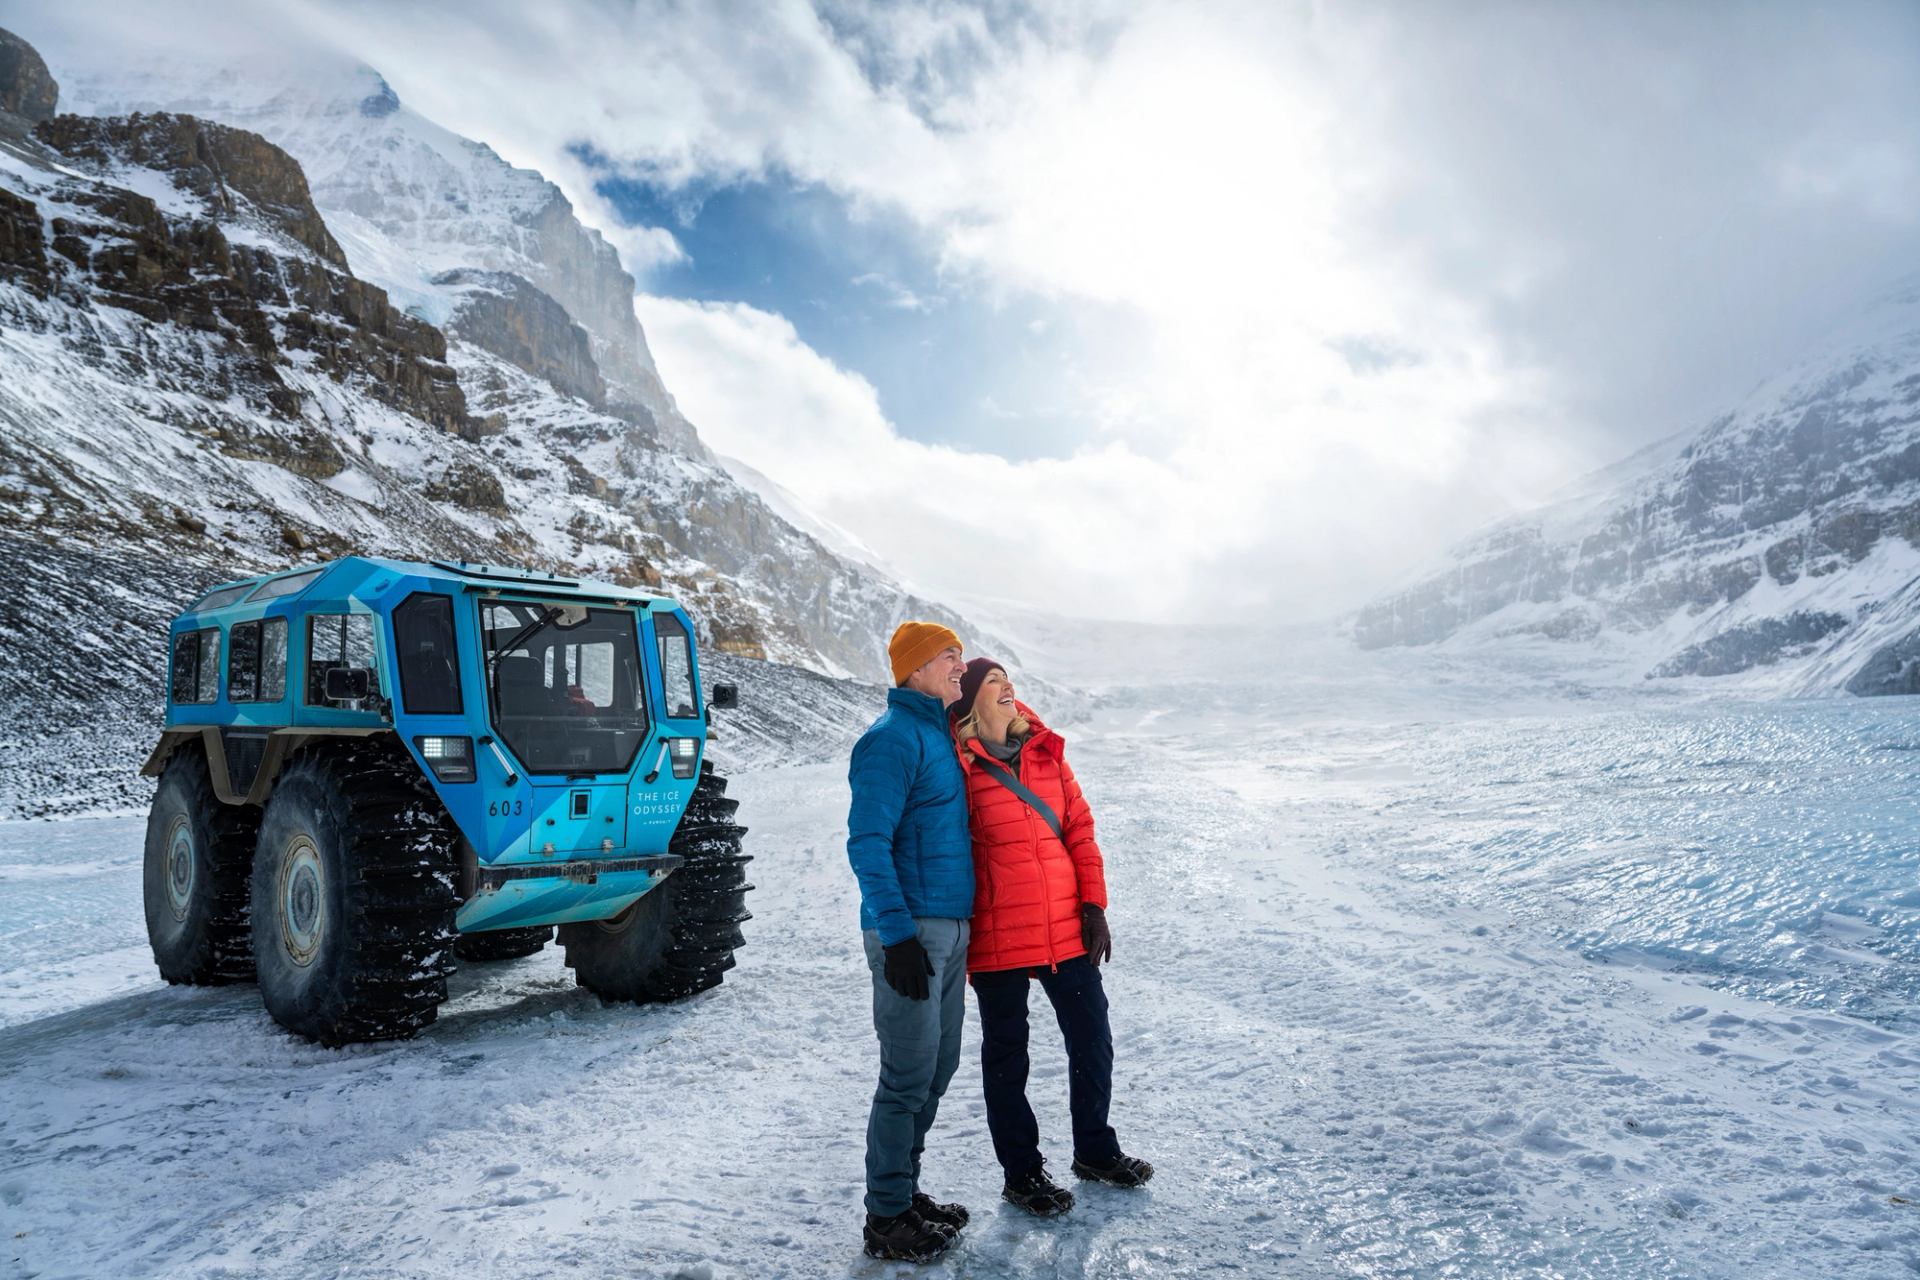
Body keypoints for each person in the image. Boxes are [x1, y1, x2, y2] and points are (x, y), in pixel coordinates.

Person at [950, 657, 1154, 1216]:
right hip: (996, 933)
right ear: (969, 703)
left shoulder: (1047, 755)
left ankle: (1094, 1150)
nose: (1007, 687)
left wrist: (1094, 905)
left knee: (1093, 1039)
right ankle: (1022, 1174)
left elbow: (1080, 831)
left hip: (1066, 925)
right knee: (1007, 1057)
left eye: (1008, 680)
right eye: (993, 682)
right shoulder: (955, 767)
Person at [845, 621, 976, 1262]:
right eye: (950, 656)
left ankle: (906, 1189)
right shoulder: (891, 739)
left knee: (939, 1066)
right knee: (905, 1077)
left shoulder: (938, 735)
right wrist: (897, 936)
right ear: (917, 668)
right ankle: (887, 1216)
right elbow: (867, 841)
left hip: (949, 926)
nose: (961, 664)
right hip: (910, 931)